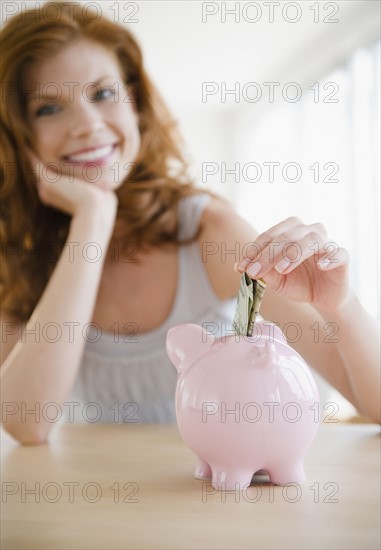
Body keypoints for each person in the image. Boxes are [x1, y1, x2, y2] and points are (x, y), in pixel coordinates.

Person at [0, 2, 379, 445]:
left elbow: (373, 405)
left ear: (136, 106)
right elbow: (27, 423)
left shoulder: (206, 231)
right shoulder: (19, 259)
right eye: (48, 108)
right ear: (16, 136)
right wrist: (93, 218)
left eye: (103, 94)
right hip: (103, 509)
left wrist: (342, 305)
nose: (87, 125)